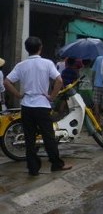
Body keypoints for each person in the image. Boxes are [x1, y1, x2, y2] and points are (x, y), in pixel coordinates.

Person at [4, 36, 72, 175]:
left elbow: (7, 82)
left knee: (29, 138)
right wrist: (52, 96)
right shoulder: (47, 63)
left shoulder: (21, 65)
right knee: (48, 136)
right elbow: (59, 80)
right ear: (40, 48)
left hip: (27, 105)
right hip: (42, 104)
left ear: (27, 49)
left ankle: (33, 168)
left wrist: (18, 95)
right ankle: (56, 164)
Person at [92, 52, 103, 123]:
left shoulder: (98, 58)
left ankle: (97, 122)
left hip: (97, 84)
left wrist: (93, 82)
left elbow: (93, 72)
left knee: (96, 104)